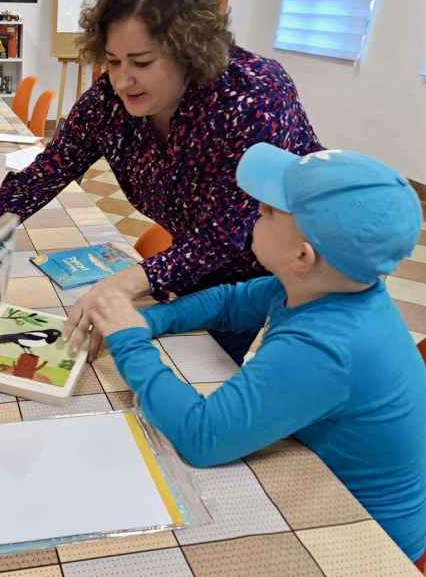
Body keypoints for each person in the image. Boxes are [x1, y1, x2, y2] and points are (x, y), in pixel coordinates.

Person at [0, 0, 322, 365]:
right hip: (195, 256)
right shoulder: (108, 104)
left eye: (141, 62)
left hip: (288, 264)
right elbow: (42, 176)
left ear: (189, 52)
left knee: (218, 373)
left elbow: (228, 237)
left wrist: (125, 285)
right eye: (113, 62)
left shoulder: (252, 98)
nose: (122, 80)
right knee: (160, 361)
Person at [89, 144, 426, 563]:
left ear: (303, 256)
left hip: (366, 542)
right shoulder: (326, 285)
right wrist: (148, 322)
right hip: (324, 482)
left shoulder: (324, 346)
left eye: (267, 212)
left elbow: (202, 438)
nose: (253, 212)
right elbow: (230, 302)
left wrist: (128, 339)